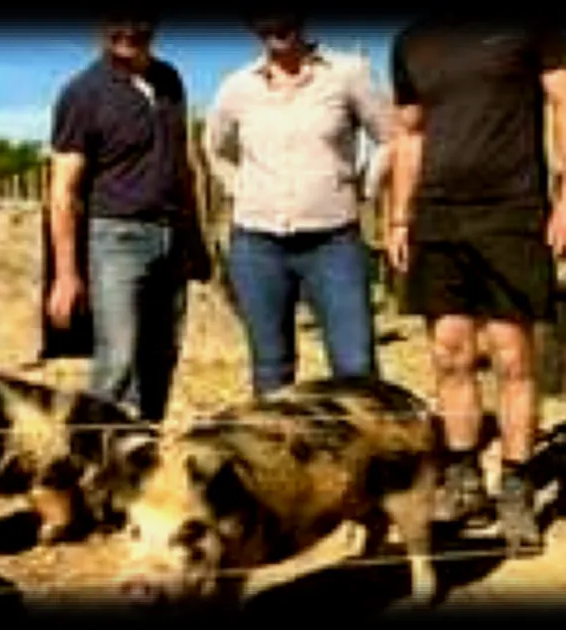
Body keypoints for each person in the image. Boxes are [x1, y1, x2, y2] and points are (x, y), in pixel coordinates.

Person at [386, 17, 566, 551]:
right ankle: (464, 479)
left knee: (511, 356)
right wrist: (400, 218)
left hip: (512, 211)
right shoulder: (411, 39)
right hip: (436, 215)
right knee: (449, 353)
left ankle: (517, 489)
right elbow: (409, 134)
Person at [202, 15, 393, 399]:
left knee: (355, 365)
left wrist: (364, 186)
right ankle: (276, 454)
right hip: (257, 246)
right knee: (271, 367)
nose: (275, 26)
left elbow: (389, 137)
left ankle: (366, 452)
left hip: (333, 242)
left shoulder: (348, 73)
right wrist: (241, 188)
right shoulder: (237, 87)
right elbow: (215, 147)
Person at [45, 14, 209, 424]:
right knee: (117, 362)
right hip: (117, 238)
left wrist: (195, 238)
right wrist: (66, 275)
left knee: (161, 358)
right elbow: (63, 190)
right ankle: (95, 461)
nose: (129, 32)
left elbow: (184, 167)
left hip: (172, 239)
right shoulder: (82, 93)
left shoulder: (170, 80)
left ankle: (144, 455)